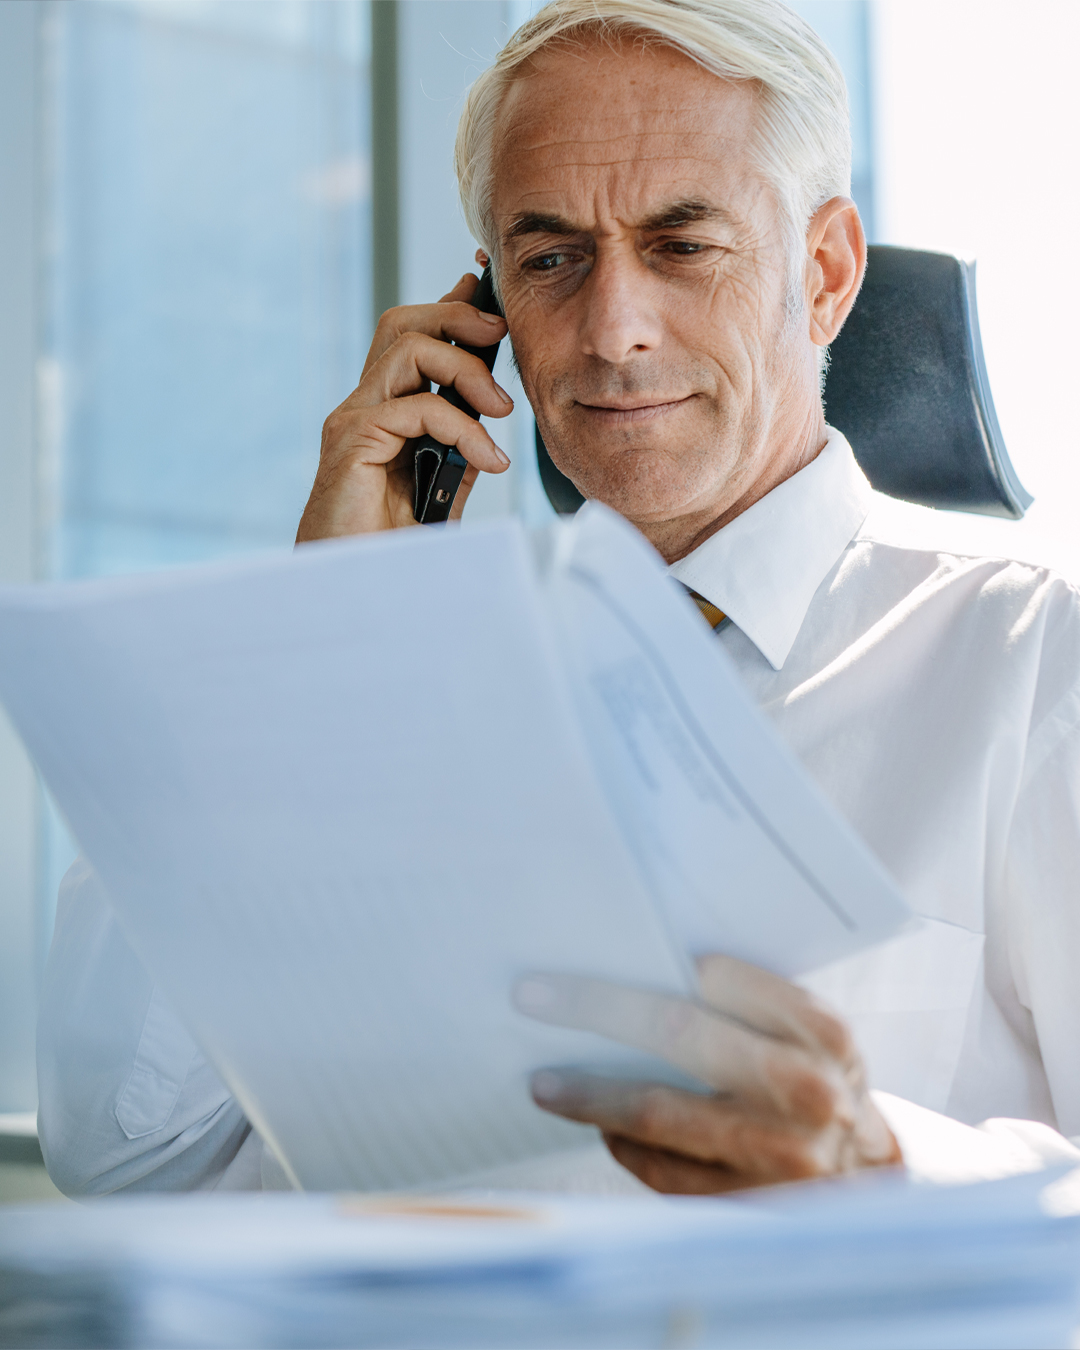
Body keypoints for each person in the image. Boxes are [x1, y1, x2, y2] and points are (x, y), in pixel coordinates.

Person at [37, 0, 1080, 1197]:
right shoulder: (393, 691)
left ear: (827, 272)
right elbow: (120, 1153)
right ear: (487, 319)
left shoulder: (1038, 661)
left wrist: (886, 1161)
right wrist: (316, 642)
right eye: (550, 260)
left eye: (684, 247)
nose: (611, 330)